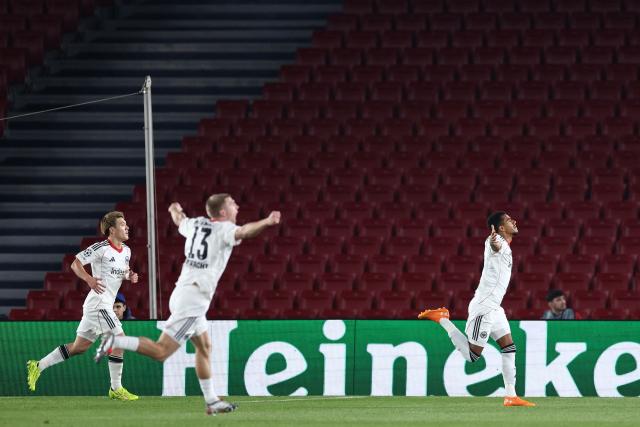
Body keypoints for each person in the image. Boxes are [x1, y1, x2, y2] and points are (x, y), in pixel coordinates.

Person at [95, 194, 281, 415]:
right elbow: (245, 231)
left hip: (185, 292)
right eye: (232, 203)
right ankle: (116, 340)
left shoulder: (195, 224)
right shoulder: (224, 230)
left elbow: (178, 218)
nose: (237, 206)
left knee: (204, 347)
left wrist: (174, 207)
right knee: (161, 352)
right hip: (192, 301)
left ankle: (212, 401)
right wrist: (267, 222)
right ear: (222, 212)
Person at [418, 211, 535, 407]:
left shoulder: (506, 246)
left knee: (509, 348)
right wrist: (493, 241)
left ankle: (511, 396)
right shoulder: (496, 240)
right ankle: (442, 319)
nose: (514, 221)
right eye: (508, 220)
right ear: (499, 228)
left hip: (494, 308)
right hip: (484, 308)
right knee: (473, 356)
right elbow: (493, 245)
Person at [27, 211, 140, 401]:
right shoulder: (100, 248)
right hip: (99, 303)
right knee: (119, 340)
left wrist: (130, 276)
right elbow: (75, 264)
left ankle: (38, 365)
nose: (127, 227)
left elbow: (123, 271)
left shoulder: (127, 251)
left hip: (99, 305)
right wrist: (89, 279)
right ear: (112, 230)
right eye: (122, 224)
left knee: (79, 347)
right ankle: (116, 388)